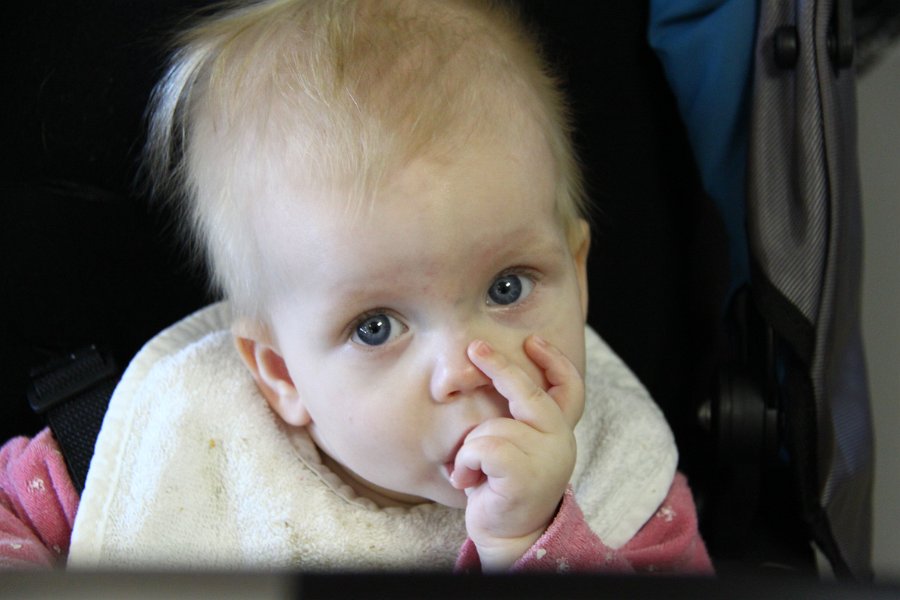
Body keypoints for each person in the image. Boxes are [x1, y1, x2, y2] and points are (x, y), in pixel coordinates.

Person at [1, 0, 712, 573]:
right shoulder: (167, 443)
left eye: (506, 287)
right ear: (281, 373)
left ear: (578, 273)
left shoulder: (622, 485)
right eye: (376, 327)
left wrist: (533, 543)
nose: (466, 368)